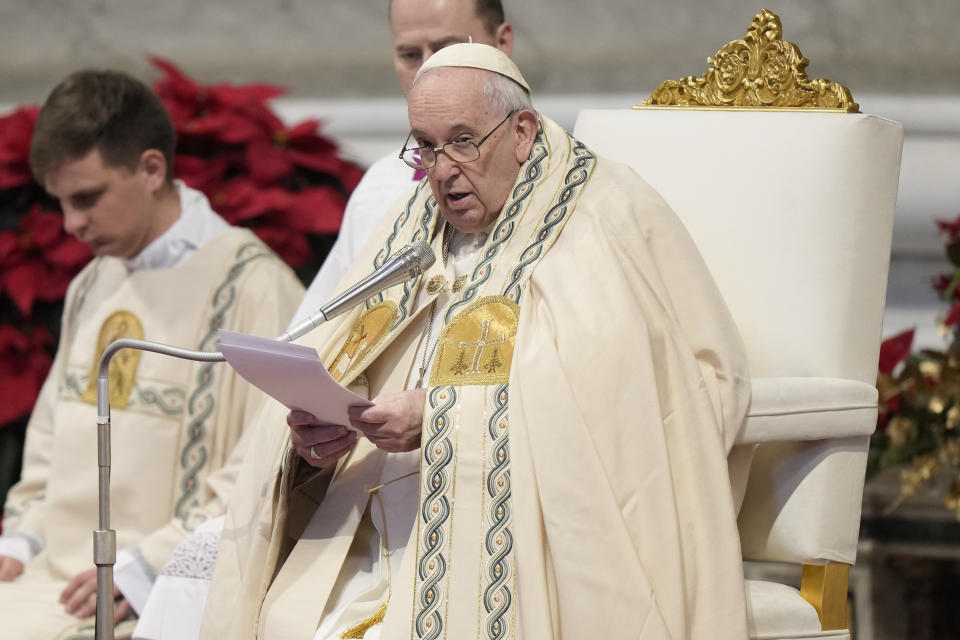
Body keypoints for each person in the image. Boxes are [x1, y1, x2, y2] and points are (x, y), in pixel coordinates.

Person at [200, 43, 753, 640]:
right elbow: (353, 354)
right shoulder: (412, 224)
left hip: (529, 526)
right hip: (384, 513)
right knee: (284, 621)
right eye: (426, 145)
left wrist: (444, 417)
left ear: (521, 132)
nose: (441, 168)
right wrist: (329, 430)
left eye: (463, 140)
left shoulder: (600, 213)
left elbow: (626, 396)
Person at [0, 69, 304, 639]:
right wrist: (19, 539)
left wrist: (147, 568)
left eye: (87, 198)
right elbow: (48, 445)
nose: (72, 224)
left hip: (155, 595)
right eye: (62, 204)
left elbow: (266, 463)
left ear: (151, 169)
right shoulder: (93, 283)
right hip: (46, 580)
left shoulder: (253, 285)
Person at [290, 0, 514, 321]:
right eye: (410, 55)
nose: (426, 72)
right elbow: (313, 333)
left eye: (447, 50)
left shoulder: (564, 182)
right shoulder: (382, 186)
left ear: (502, 43)